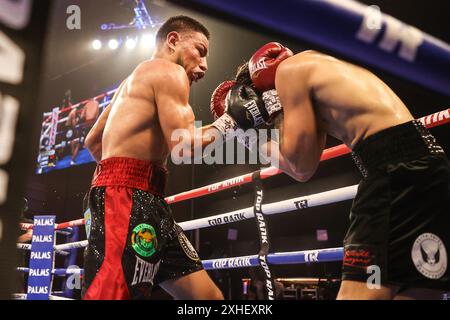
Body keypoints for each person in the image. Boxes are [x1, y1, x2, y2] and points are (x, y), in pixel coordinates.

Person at [219, 42, 450, 300]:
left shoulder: (289, 72)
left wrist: (250, 136)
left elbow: (299, 166)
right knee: (415, 290)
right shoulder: (318, 68)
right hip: (430, 167)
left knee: (357, 293)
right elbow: (305, 166)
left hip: (394, 173)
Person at [83, 15, 225, 300]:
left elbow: (93, 142)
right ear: (173, 41)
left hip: (140, 200)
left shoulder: (133, 78)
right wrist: (231, 122)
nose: (205, 65)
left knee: (208, 298)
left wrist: (123, 167)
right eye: (200, 50)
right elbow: (184, 147)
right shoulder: (169, 72)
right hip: (127, 199)